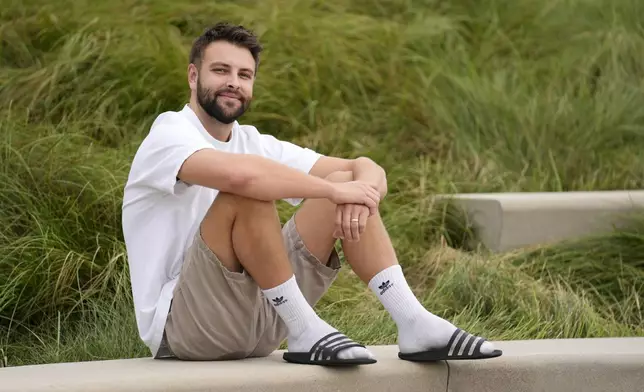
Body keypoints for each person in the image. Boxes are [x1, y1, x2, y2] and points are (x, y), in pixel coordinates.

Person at [121, 22, 502, 366]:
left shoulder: (252, 141)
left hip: (266, 322)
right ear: (193, 76)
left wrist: (353, 189)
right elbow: (245, 179)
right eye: (220, 70)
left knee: (342, 180)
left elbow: (362, 169)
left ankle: (413, 321)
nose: (234, 82)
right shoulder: (168, 135)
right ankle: (305, 329)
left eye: (245, 74)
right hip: (189, 329)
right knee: (251, 192)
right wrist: (338, 189)